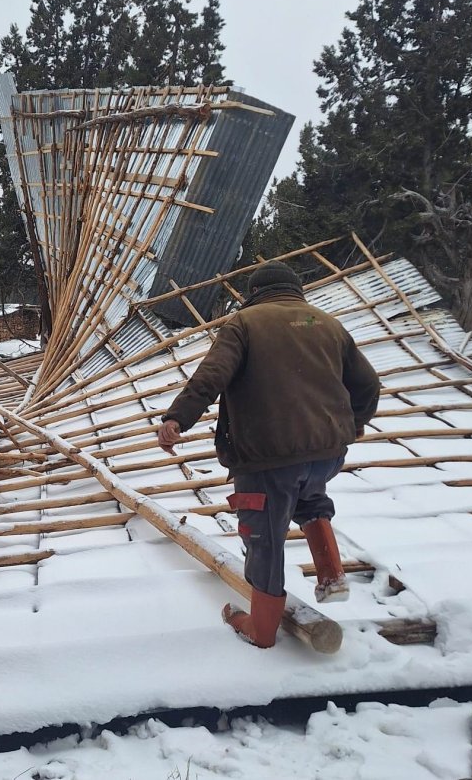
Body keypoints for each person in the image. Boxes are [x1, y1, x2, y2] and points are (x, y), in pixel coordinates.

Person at [157, 260, 380, 648]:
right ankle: (331, 574)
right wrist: (353, 425)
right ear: (297, 290)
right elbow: (369, 385)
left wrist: (178, 418)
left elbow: (212, 375)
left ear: (254, 293)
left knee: (263, 533)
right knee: (310, 496)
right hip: (326, 453)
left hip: (268, 455)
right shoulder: (325, 323)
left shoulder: (245, 323)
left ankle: (261, 629)